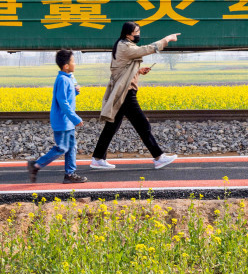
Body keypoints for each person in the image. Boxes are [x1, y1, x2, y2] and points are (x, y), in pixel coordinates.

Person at [91, 22, 181, 170]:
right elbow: (146, 50)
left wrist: (139, 71)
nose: (139, 34)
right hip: (126, 93)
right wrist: (167, 39)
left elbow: (123, 69)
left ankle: (98, 158)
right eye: (136, 32)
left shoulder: (122, 44)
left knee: (111, 127)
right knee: (142, 125)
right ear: (128, 34)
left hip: (125, 91)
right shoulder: (125, 46)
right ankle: (158, 157)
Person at [27, 49, 88, 184]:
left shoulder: (68, 78)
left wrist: (75, 91)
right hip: (63, 121)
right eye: (73, 62)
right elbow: (63, 102)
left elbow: (67, 97)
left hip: (67, 122)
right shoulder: (63, 80)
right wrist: (75, 118)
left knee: (71, 147)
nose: (75, 64)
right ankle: (36, 165)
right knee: (62, 148)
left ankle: (70, 174)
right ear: (66, 66)